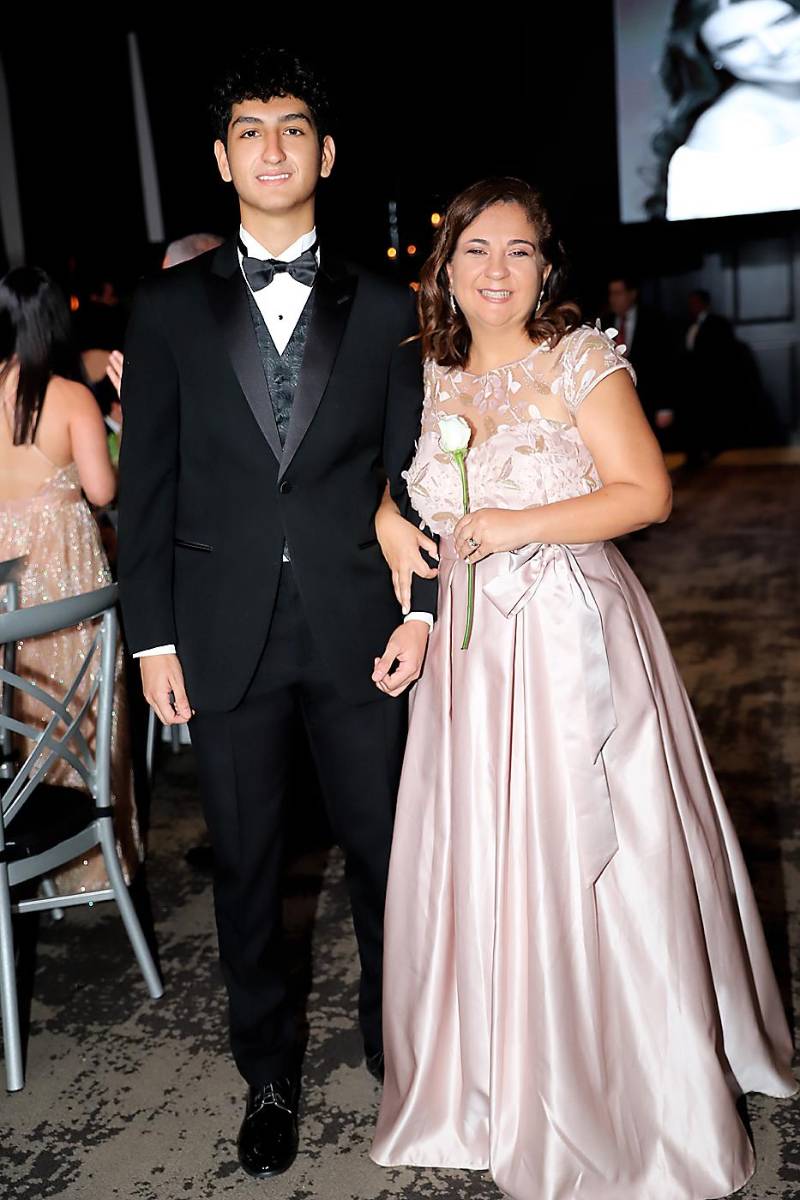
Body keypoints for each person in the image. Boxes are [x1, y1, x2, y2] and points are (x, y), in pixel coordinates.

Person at [369, 178, 797, 1200]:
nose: (496, 271)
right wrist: (395, 539)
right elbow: (402, 493)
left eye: (518, 251)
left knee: (590, 848)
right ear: (445, 266)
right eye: (476, 250)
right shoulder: (426, 372)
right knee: (480, 852)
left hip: (569, 637)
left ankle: (622, 1084)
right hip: (468, 658)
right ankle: (489, 1083)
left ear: (544, 266)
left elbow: (646, 494)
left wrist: (518, 527)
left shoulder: (579, 359)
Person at [116, 48, 436, 1181]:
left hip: (361, 628)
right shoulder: (164, 309)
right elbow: (145, 486)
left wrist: (423, 611)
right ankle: (266, 1075)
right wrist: (152, 637)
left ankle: (405, 1057)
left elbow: (418, 474)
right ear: (221, 157)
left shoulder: (390, 306)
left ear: (325, 153)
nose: (270, 147)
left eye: (292, 128)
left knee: (390, 857)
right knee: (247, 867)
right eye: (248, 129)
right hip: (220, 631)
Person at [0, 266, 142, 895]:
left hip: (5, 575)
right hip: (64, 568)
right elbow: (103, 490)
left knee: (21, 710)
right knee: (83, 704)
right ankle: (91, 860)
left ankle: (31, 860)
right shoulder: (69, 396)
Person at [648, 0, 800, 220]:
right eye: (737, 43)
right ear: (713, 59)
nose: (774, 48)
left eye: (782, 22)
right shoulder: (735, 129)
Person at [605, 276, 675, 445]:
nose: (613, 299)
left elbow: (666, 364)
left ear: (632, 294)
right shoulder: (605, 322)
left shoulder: (654, 321)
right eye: (611, 294)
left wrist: (665, 405)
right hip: (617, 403)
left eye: (618, 293)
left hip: (648, 400)